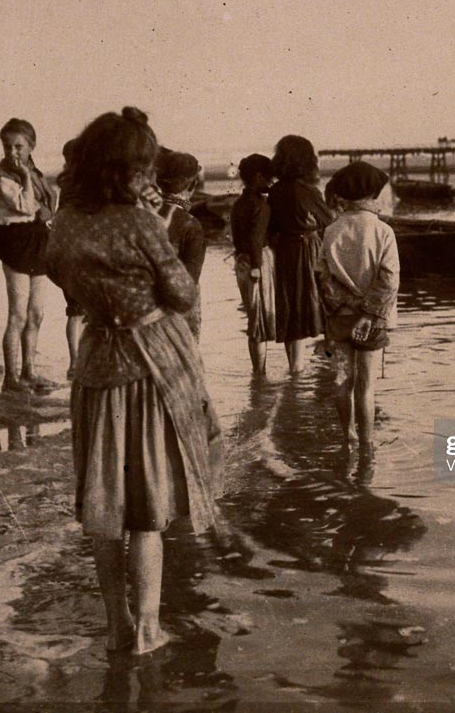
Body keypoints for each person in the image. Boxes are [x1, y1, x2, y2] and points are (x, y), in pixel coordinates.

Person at [45, 106, 223, 656]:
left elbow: (57, 271)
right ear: (129, 169)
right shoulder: (142, 222)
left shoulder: (67, 222)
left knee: (104, 505)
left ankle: (117, 624)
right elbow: (183, 292)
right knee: (146, 510)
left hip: (97, 362)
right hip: (150, 366)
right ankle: (148, 628)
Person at [317, 161, 399, 450]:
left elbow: (323, 276)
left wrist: (342, 305)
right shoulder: (383, 231)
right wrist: (368, 314)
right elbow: (389, 280)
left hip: (339, 317)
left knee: (342, 380)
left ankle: (346, 437)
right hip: (373, 320)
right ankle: (367, 443)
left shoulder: (331, 230)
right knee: (366, 386)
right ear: (373, 196)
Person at [0, 119, 59, 393]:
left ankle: (29, 371)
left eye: (19, 146)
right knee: (17, 315)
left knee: (36, 313)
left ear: (32, 147)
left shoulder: (34, 172)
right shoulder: (1, 177)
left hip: (37, 239)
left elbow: (49, 203)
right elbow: (27, 205)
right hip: (15, 243)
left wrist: (42, 205)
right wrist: (27, 179)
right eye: (8, 147)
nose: (12, 153)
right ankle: (10, 378)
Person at [267, 134, 334, 373]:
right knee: (321, 302)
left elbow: (270, 229)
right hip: (309, 250)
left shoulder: (275, 191)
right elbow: (330, 222)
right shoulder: (308, 191)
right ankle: (327, 362)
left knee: (290, 304)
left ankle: (295, 367)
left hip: (284, 252)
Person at [152, 148, 205, 340]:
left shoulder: (144, 217)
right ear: (192, 185)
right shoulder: (191, 224)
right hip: (178, 314)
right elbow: (191, 281)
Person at [230, 153, 276, 374]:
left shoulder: (238, 204)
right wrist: (258, 266)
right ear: (258, 177)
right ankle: (259, 373)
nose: (271, 183)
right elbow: (256, 239)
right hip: (257, 262)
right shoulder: (260, 206)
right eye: (269, 179)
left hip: (241, 261)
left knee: (252, 315)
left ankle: (258, 373)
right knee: (258, 320)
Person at [56, 138, 86, 380]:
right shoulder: (79, 185)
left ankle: (75, 361)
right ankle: (77, 362)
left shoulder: (66, 184)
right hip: (81, 254)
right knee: (80, 311)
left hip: (67, 253)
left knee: (75, 311)